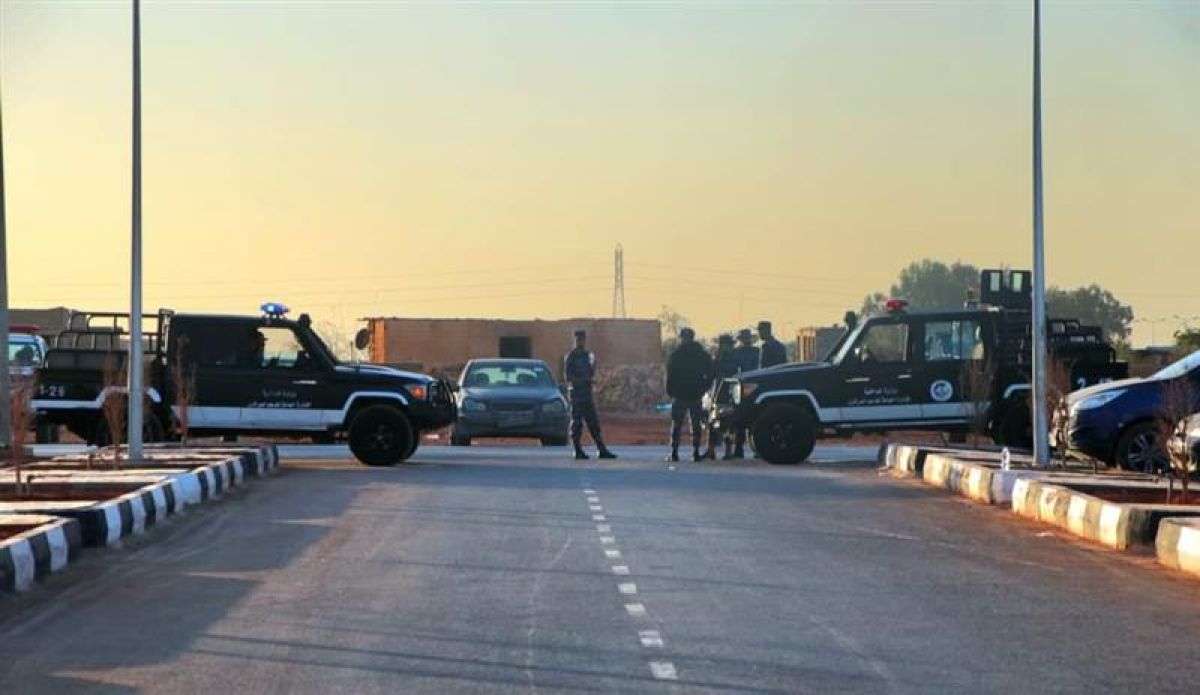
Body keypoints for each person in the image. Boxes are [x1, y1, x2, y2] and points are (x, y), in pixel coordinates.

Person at [564, 330, 617, 461]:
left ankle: (601, 449)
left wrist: (592, 374)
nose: (580, 341)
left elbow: (591, 371)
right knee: (576, 423)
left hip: (587, 393)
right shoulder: (571, 356)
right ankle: (577, 450)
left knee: (593, 422)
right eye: (578, 339)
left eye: (582, 339)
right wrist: (584, 380)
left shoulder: (588, 355)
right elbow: (567, 377)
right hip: (576, 393)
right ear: (575, 340)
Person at [665, 328, 714, 463]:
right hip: (695, 394)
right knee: (695, 424)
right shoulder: (702, 354)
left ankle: (674, 453)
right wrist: (704, 388)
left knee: (677, 425)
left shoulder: (676, 354)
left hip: (680, 394)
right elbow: (711, 373)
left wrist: (670, 391)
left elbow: (670, 375)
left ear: (682, 338)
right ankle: (695, 452)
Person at [703, 333, 737, 460]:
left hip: (728, 395)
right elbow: (711, 375)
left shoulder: (732, 359)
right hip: (717, 395)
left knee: (727, 424)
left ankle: (727, 450)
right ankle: (711, 450)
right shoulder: (718, 359)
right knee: (713, 423)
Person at [727, 329, 760, 459]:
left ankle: (744, 449)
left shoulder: (737, 353)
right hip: (745, 388)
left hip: (748, 388)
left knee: (747, 420)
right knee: (742, 421)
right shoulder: (754, 352)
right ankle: (740, 448)